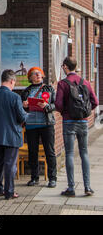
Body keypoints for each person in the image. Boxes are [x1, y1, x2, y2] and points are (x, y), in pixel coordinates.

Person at [55, 56, 99, 197]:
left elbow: (58, 104)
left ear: (65, 67)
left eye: (63, 66)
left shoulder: (63, 83)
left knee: (69, 153)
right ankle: (87, 187)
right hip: (83, 121)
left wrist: (64, 112)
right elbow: (95, 102)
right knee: (84, 153)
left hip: (68, 121)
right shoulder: (84, 82)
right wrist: (85, 112)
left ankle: (71, 188)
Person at [0, 69, 28, 200]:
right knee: (10, 164)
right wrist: (26, 112)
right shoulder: (15, 97)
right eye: (14, 83)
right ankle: (9, 192)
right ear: (12, 81)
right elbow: (21, 117)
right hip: (11, 136)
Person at [21, 67, 57, 188]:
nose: (37, 75)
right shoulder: (26, 91)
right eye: (34, 74)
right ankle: (34, 178)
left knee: (49, 151)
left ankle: (52, 178)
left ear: (43, 76)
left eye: (39, 73)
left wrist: (47, 106)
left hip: (46, 124)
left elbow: (56, 105)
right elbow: (21, 109)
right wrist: (24, 105)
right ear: (30, 78)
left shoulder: (49, 89)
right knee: (32, 152)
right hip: (31, 125)